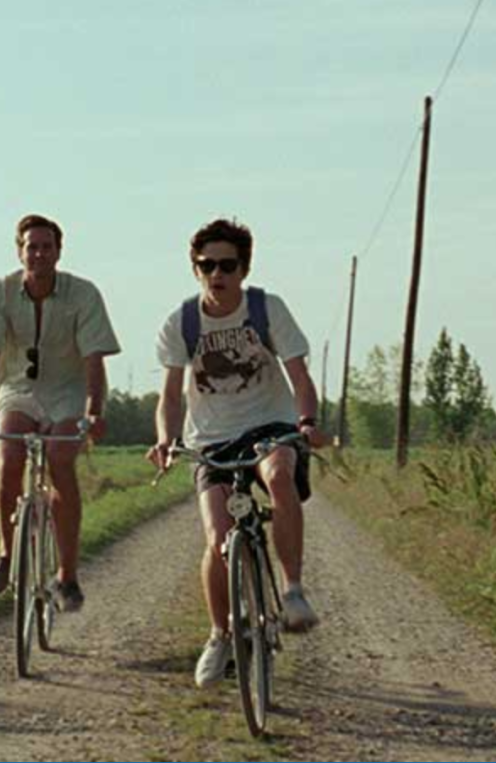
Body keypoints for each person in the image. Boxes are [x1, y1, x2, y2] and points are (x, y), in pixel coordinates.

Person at [146, 217, 329, 689]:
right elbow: (168, 396)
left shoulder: (266, 310)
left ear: (243, 269)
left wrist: (306, 424)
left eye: (227, 265)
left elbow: (299, 377)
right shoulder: (181, 323)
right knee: (217, 539)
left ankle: (291, 592)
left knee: (280, 476)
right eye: (206, 265)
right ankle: (220, 634)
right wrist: (165, 439)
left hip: (270, 423)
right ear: (195, 269)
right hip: (210, 436)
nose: (216, 274)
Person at [0, 213, 121, 612]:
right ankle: (5, 552)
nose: (38, 254)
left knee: (60, 459)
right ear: (19, 251)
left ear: (59, 251)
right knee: (10, 456)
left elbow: (93, 358)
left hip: (67, 391)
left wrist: (93, 411)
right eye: (31, 247)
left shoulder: (83, 294)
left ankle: (67, 576)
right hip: (16, 388)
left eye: (46, 247)